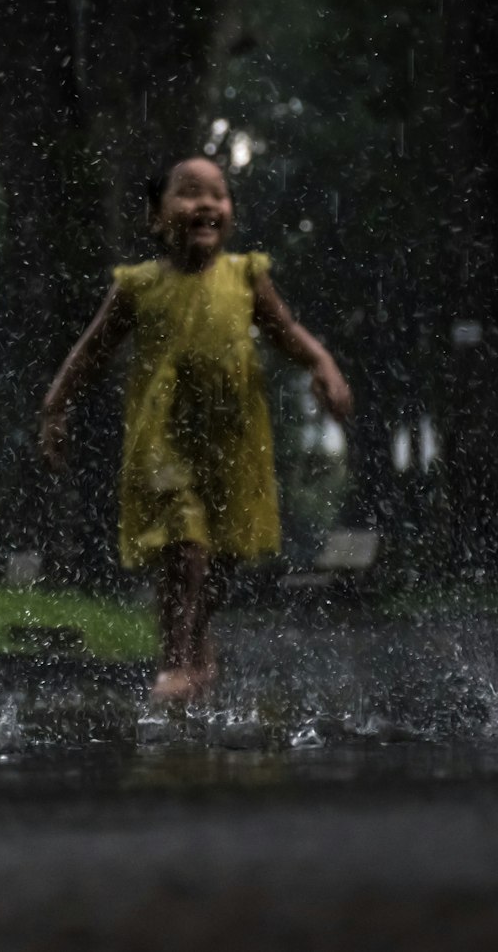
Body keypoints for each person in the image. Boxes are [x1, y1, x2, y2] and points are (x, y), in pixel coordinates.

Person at [40, 155, 353, 704]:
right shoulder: (138, 286)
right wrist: (55, 406)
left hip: (232, 441)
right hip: (161, 440)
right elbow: (90, 351)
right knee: (184, 545)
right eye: (189, 193)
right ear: (156, 216)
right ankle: (177, 662)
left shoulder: (245, 276)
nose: (206, 204)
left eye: (218, 194)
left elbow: (287, 333)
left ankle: (196, 639)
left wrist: (322, 364)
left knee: (221, 559)